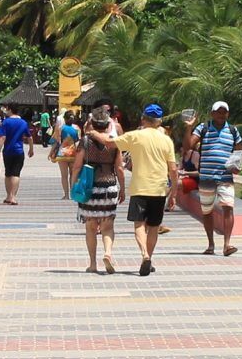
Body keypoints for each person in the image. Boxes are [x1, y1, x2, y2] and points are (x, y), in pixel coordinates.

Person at [111, 101, 179, 275]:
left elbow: (110, 143)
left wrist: (93, 133)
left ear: (143, 119)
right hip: (159, 189)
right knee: (154, 227)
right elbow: (173, 169)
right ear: (159, 122)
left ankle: (144, 255)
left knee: (139, 225)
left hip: (140, 188)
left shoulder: (135, 136)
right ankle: (149, 256)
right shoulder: (166, 140)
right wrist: (174, 194)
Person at [75, 106, 123, 273]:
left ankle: (93, 264)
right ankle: (108, 253)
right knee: (107, 226)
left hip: (90, 187)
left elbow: (77, 166)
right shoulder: (113, 142)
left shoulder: (86, 142)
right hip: (109, 185)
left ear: (92, 124)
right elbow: (120, 168)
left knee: (90, 227)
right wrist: (122, 189)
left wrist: (75, 183)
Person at [195, 99, 242, 256]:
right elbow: (189, 144)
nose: (222, 115)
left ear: (227, 114)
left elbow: (239, 151)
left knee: (228, 207)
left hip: (225, 177)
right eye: (218, 112)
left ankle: (227, 244)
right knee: (207, 211)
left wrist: (237, 165)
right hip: (207, 177)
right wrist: (189, 127)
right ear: (212, 113)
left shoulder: (233, 131)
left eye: (224, 112)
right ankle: (210, 244)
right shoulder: (203, 128)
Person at [0, 103, 30, 205]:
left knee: (8, 173)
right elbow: (29, 137)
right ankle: (13, 197)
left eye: (7, 109)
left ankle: (8, 196)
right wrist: (31, 149)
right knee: (16, 174)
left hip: (7, 151)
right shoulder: (23, 123)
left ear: (10, 110)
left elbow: (3, 137)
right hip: (19, 151)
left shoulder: (6, 122)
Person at [55, 107, 82, 198]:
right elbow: (78, 142)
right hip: (73, 153)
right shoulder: (77, 128)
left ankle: (66, 195)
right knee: (73, 174)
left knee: (64, 175)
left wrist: (51, 152)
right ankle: (73, 193)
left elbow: (57, 141)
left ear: (64, 119)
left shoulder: (61, 128)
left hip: (62, 153)